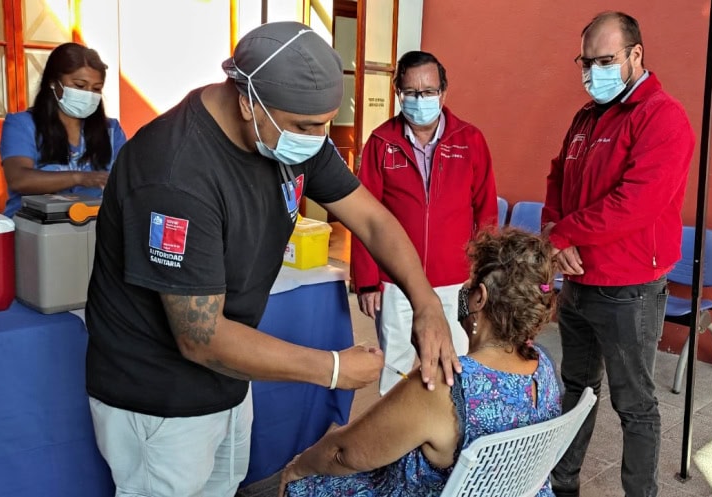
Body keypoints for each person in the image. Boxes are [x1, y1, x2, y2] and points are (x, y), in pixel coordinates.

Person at [84, 22, 460, 497]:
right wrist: (334, 369)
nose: (318, 137)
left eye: (325, 122)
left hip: (226, 380)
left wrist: (426, 303)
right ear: (248, 102)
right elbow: (201, 337)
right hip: (158, 397)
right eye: (306, 126)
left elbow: (373, 221)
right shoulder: (175, 172)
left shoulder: (287, 130)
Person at [280, 227, 562, 497]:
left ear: (479, 298)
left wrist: (297, 468)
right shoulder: (544, 365)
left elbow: (343, 454)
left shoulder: (446, 384)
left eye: (470, 281)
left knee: (306, 480)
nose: (464, 288)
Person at [542, 12, 695, 497]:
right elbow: (558, 178)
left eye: (605, 61)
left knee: (634, 405)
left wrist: (565, 234)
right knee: (576, 391)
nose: (593, 72)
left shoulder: (662, 117)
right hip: (578, 283)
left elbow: (636, 202)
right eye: (586, 62)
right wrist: (553, 231)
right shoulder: (587, 117)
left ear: (636, 55)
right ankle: (563, 485)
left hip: (628, 290)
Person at [351, 50, 498, 395]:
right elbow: (362, 214)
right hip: (395, 281)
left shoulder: (470, 141)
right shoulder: (381, 143)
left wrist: (484, 274)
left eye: (429, 91)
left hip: (458, 281)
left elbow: (486, 211)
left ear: (443, 92)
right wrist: (367, 282)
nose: (421, 100)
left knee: (457, 360)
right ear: (398, 93)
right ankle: (397, 425)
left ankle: (451, 424)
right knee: (396, 367)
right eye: (411, 92)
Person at [0, 42, 126, 218]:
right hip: (33, 226)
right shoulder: (22, 124)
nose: (89, 94)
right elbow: (19, 179)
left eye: (96, 88)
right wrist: (80, 178)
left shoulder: (111, 130)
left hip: (94, 225)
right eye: (79, 85)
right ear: (53, 82)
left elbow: (129, 178)